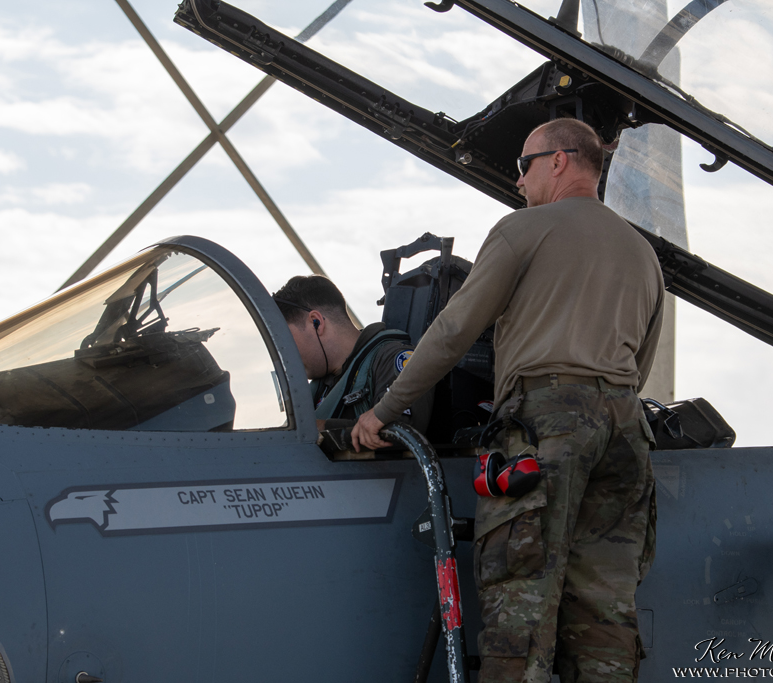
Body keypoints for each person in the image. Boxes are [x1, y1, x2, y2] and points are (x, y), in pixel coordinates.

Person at [352, 118, 664, 682]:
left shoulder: (522, 230)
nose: (518, 181)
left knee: (520, 604)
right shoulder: (642, 252)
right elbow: (641, 363)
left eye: (524, 165)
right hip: (624, 430)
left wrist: (384, 410)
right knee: (605, 613)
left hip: (547, 423)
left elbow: (453, 331)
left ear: (559, 161)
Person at [272, 274, 433, 434]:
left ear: (316, 322)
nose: (284, 352)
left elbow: (403, 432)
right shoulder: (319, 387)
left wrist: (323, 428)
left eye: (287, 339)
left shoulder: (390, 359)